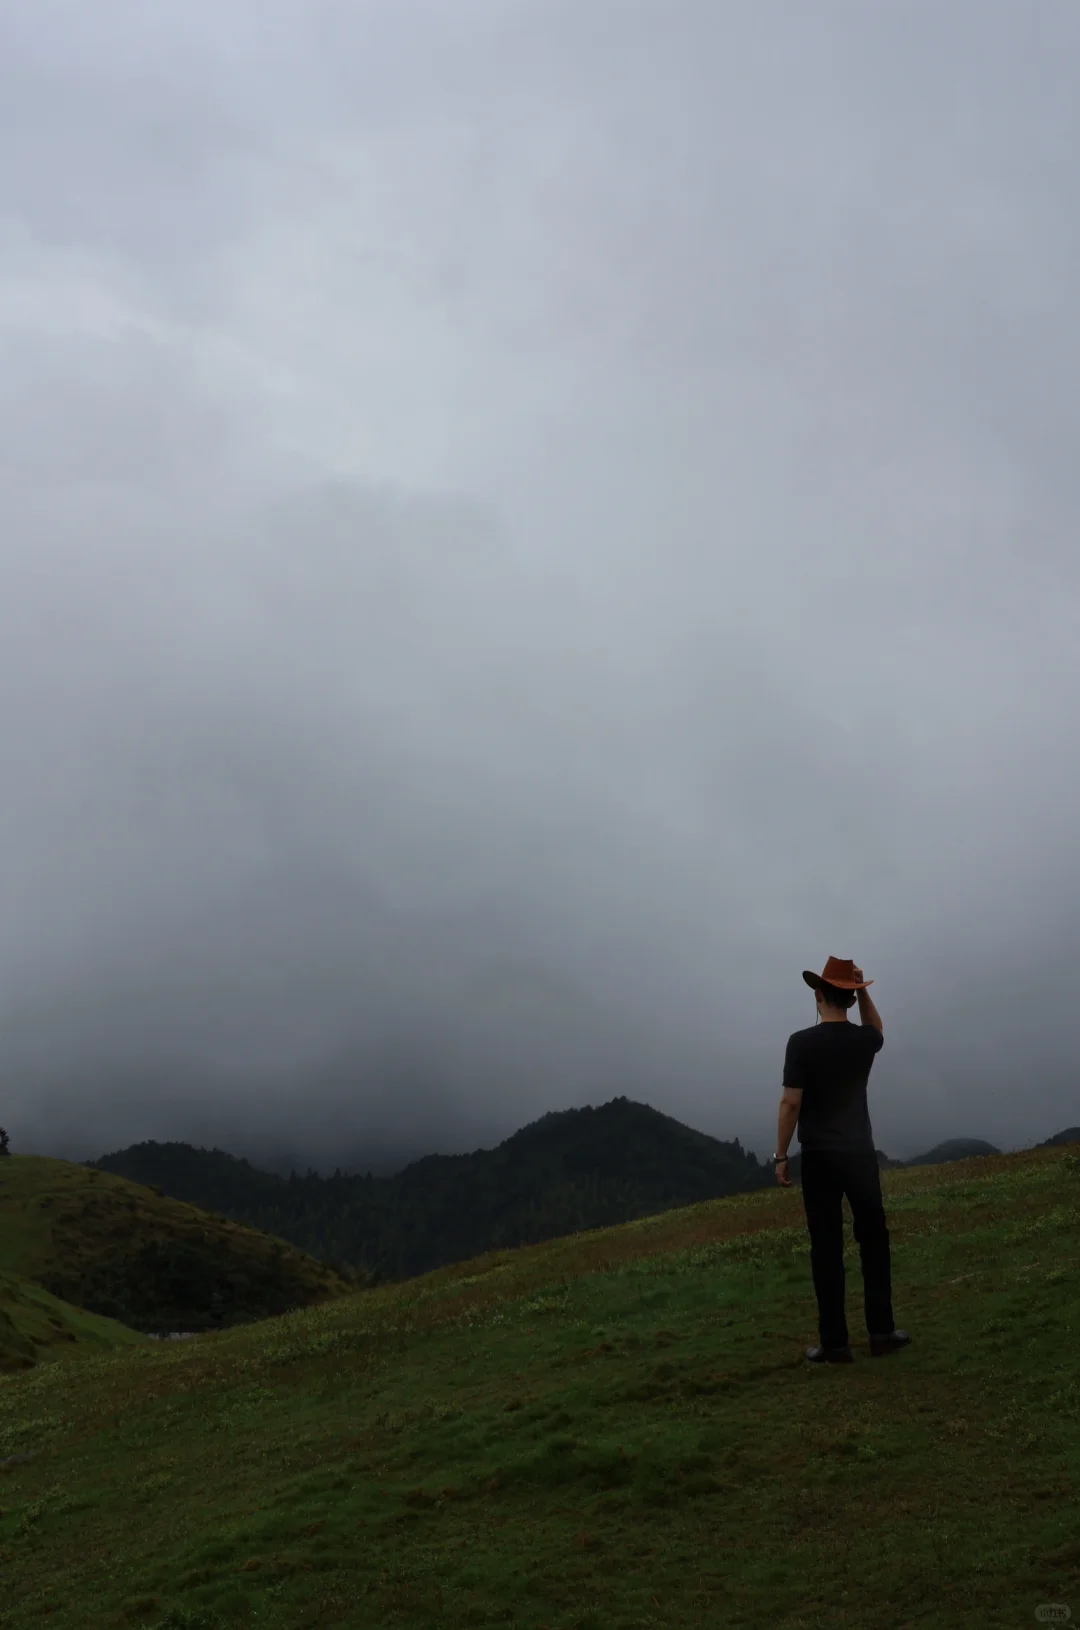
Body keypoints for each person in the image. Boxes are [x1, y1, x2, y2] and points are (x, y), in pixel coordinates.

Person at [773, 957, 911, 1364]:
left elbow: (790, 1102)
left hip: (818, 1157)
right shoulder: (863, 1041)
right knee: (874, 1241)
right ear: (850, 1000)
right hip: (859, 1154)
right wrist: (863, 988)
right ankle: (882, 1333)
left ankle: (834, 1344)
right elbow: (877, 1029)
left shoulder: (800, 1042)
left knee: (827, 1248)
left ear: (819, 995)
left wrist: (781, 1155)